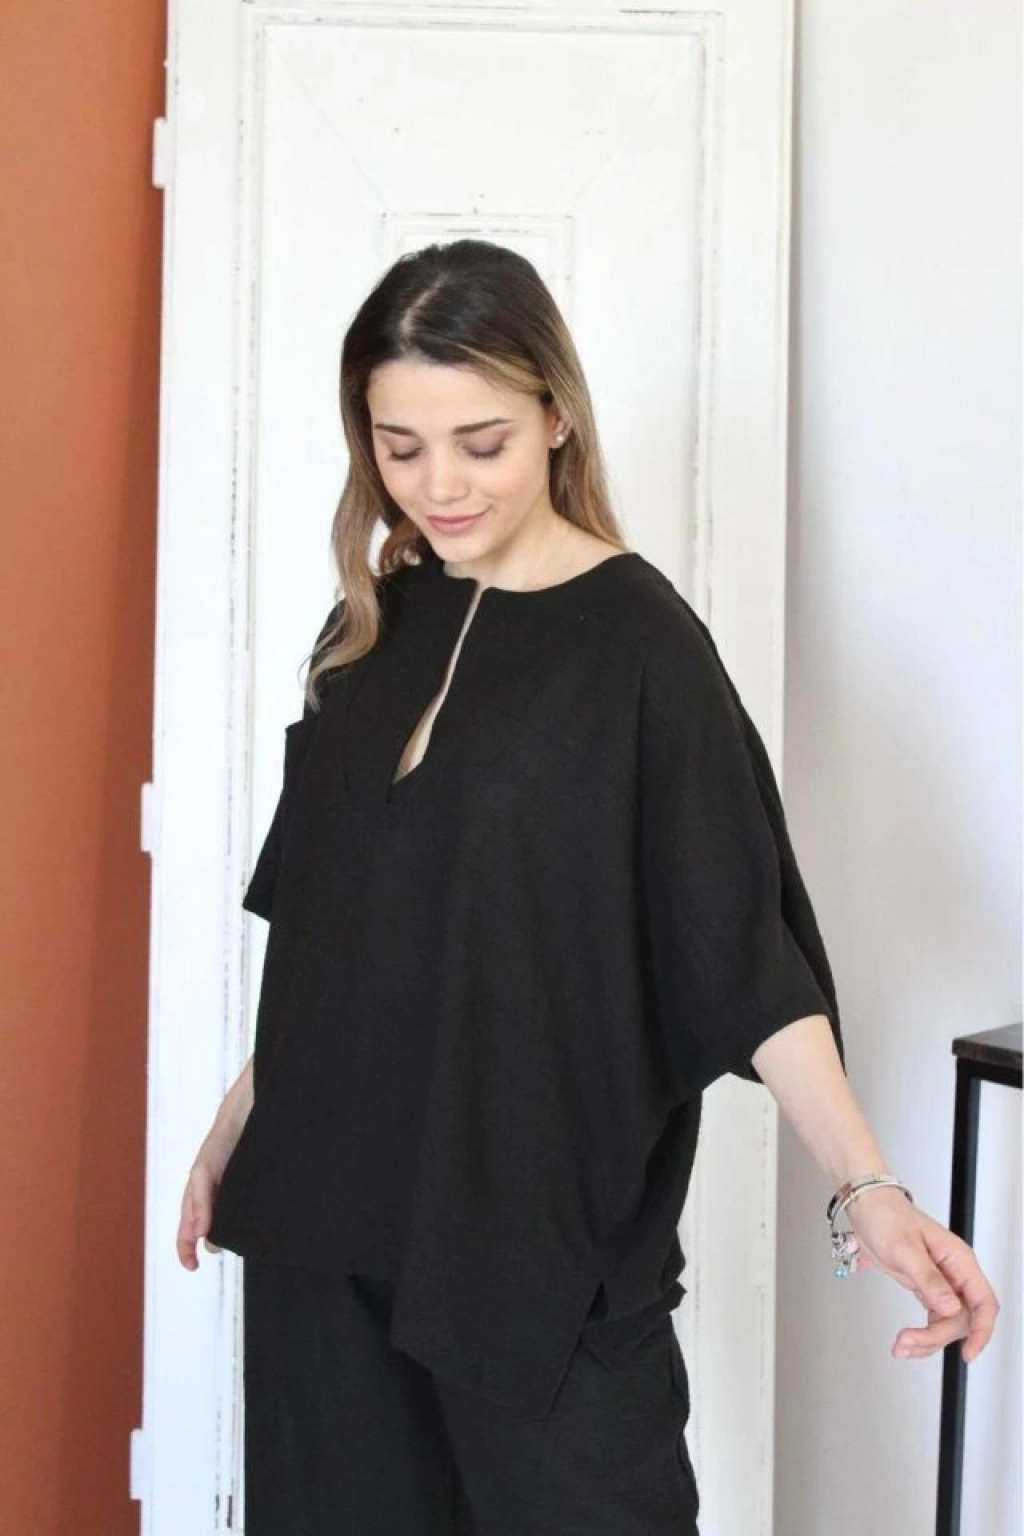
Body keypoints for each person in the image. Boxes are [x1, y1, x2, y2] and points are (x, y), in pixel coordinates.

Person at [175, 239, 999, 1535]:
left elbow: (745, 952)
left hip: (535, 1250)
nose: (440, 484)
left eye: (482, 442)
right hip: (322, 1224)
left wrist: (871, 1190)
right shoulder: (367, 630)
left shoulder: (640, 647)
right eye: (400, 447)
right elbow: (332, 938)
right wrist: (240, 1122)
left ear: (556, 416)